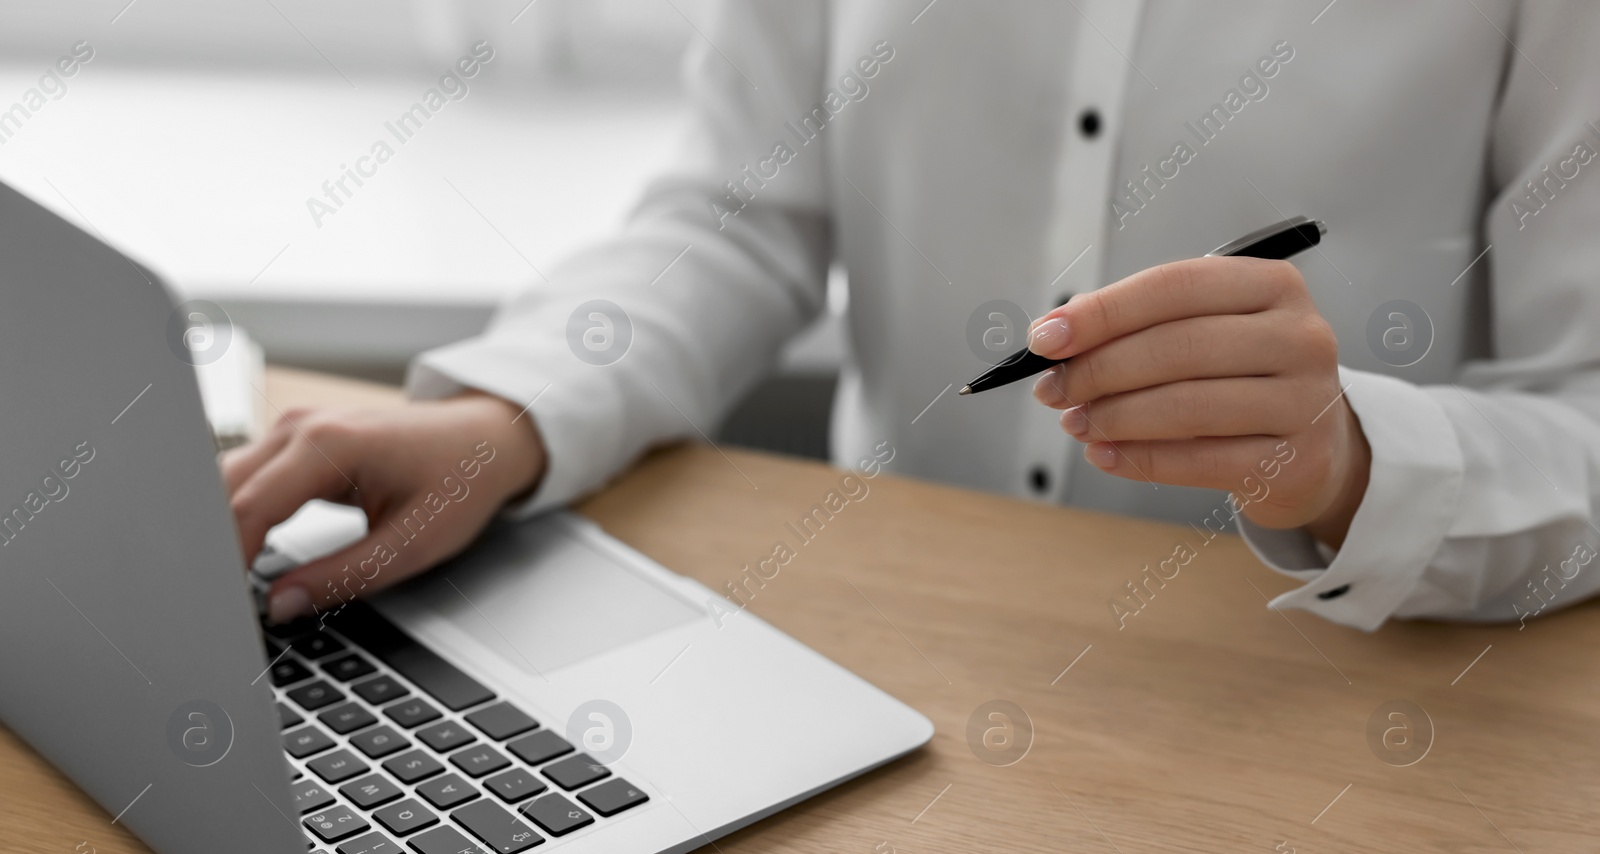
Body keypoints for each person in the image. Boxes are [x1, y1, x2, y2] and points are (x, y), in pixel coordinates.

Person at [225, 2, 1600, 633]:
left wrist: (1356, 464)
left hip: (1312, 718)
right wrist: (498, 418)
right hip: (890, 675)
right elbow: (740, 214)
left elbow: (1585, 408)